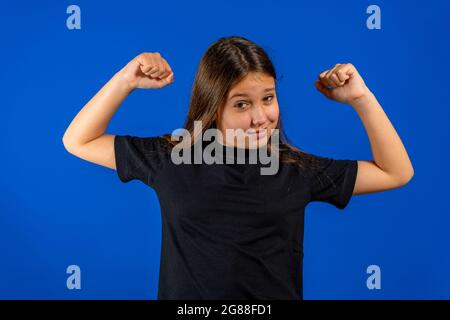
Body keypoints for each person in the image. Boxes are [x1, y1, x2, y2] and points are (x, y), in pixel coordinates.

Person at [62, 36, 414, 300]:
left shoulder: (296, 169)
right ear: (214, 107)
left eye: (268, 98)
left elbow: (396, 171)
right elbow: (78, 140)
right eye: (242, 104)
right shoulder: (172, 156)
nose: (261, 117)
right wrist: (126, 79)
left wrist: (361, 98)